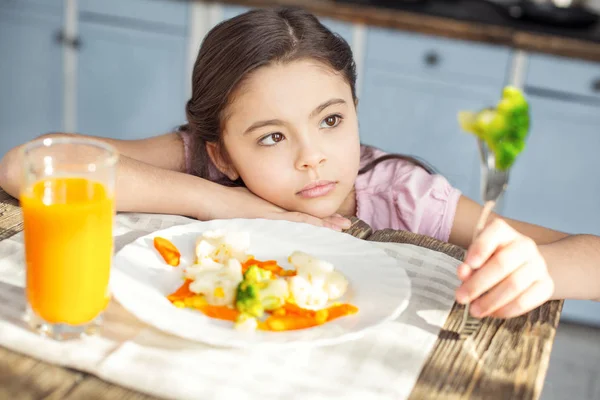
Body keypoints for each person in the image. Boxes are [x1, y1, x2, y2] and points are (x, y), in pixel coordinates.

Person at [1, 7, 598, 319]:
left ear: (356, 112)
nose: (313, 156)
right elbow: (28, 165)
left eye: (331, 121)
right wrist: (224, 200)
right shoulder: (200, 164)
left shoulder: (404, 196)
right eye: (269, 138)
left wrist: (540, 272)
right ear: (220, 154)